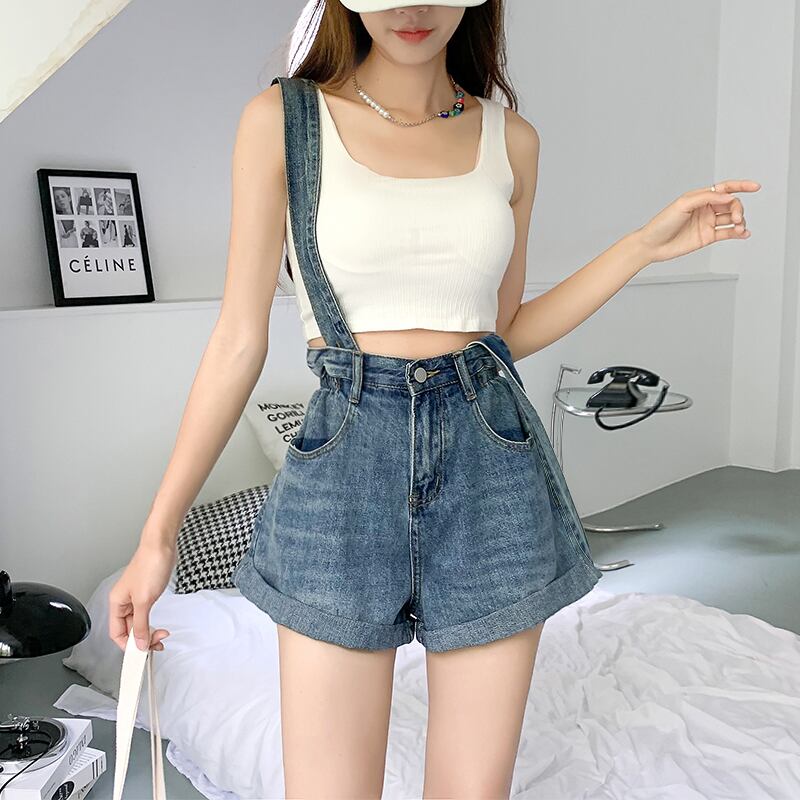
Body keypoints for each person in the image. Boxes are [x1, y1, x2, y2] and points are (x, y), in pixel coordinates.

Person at [107, 1, 759, 796]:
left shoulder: (511, 140)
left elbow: (502, 333)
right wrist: (157, 536)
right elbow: (238, 342)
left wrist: (639, 249)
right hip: (343, 470)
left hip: (490, 462)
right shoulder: (282, 122)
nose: (412, 7)